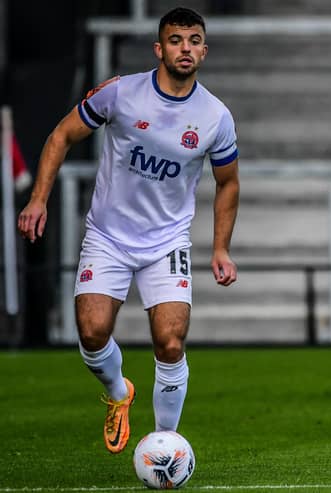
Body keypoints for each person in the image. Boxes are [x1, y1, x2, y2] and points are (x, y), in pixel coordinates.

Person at [17, 7, 239, 454]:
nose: (185, 48)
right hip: (108, 235)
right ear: (159, 48)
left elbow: (228, 182)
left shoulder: (215, 116)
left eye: (194, 40)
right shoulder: (121, 94)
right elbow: (61, 135)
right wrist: (39, 198)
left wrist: (220, 248)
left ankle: (167, 443)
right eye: (176, 40)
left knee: (171, 340)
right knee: (93, 331)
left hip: (167, 241)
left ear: (204, 50)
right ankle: (119, 392)